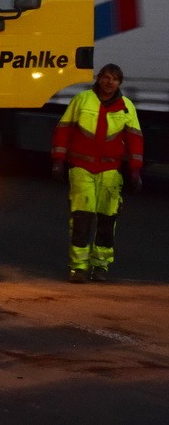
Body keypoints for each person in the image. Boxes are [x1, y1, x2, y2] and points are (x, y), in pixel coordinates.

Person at [52, 63, 144, 283]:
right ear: (98, 78)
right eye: (106, 77)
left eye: (114, 79)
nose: (109, 82)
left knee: (107, 220)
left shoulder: (126, 106)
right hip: (81, 168)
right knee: (81, 218)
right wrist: (58, 161)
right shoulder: (82, 100)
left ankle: (100, 266)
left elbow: (135, 139)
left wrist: (135, 170)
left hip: (111, 171)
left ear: (119, 82)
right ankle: (78, 267)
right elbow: (63, 130)